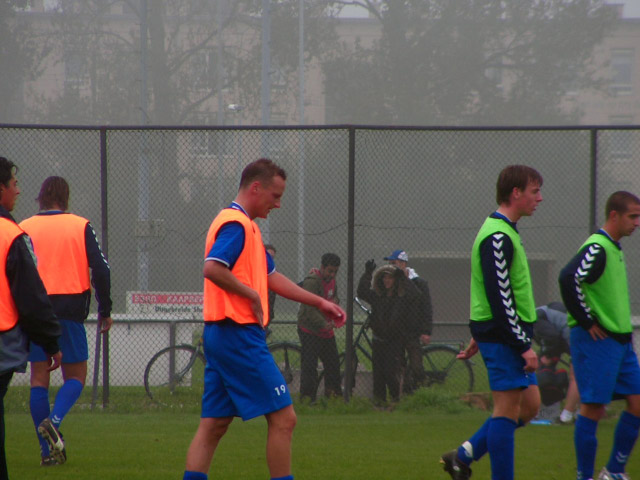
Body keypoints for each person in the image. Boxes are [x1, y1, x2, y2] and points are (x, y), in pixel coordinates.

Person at [183, 159, 345, 480]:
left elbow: (271, 277)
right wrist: (250, 295)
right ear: (255, 188)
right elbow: (213, 268)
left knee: (213, 425)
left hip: (220, 335)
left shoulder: (248, 228)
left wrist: (320, 301)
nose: (278, 203)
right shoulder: (236, 225)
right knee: (284, 420)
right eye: (275, 195)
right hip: (238, 335)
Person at [441, 165, 543, 480]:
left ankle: (461, 456)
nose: (539, 198)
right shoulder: (497, 236)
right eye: (534, 191)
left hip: (502, 333)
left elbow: (496, 294)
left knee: (530, 407)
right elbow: (499, 297)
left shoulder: (507, 230)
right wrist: (521, 344)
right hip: (504, 335)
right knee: (507, 409)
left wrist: (483, 333)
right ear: (516, 193)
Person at [19, 176, 113, 467]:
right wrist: (104, 308)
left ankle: (47, 453)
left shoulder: (24, 227)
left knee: (38, 379)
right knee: (76, 377)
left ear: (41, 198)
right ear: (65, 197)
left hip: (35, 310)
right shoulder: (80, 225)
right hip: (69, 308)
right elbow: (101, 269)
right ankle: (55, 422)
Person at [558, 191, 640, 480]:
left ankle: (614, 471)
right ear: (614, 215)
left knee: (637, 402)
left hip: (620, 342)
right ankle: (585, 476)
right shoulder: (598, 246)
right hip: (597, 340)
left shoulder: (614, 248)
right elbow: (569, 278)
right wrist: (586, 319)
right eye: (632, 216)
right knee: (593, 407)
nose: (637, 222)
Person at [0, 156, 62, 479]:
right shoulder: (10, 234)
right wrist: (51, 342)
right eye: (13, 184)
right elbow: (32, 297)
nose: (18, 191)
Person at [357, 261, 420, 405]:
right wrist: (368, 273)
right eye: (384, 277)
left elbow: (416, 294)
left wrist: (403, 278)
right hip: (378, 340)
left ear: (395, 280)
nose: (387, 280)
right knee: (378, 373)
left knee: (391, 372)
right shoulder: (377, 296)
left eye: (390, 278)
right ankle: (379, 402)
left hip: (395, 341)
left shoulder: (402, 298)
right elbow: (361, 291)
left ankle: (395, 400)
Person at [384, 249, 433, 394]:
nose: (391, 266)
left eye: (394, 263)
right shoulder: (391, 283)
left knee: (417, 366)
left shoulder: (419, 283)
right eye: (389, 263)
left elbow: (426, 308)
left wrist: (426, 331)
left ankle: (424, 393)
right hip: (397, 331)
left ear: (403, 264)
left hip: (413, 331)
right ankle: (404, 394)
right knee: (398, 365)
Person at [297, 252, 344, 401]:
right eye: (330, 270)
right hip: (310, 330)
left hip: (326, 332)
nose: (332, 274)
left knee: (333, 366)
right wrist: (325, 324)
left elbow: (333, 298)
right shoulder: (312, 281)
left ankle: (332, 398)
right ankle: (307, 399)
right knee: (310, 368)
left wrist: (336, 306)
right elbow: (309, 309)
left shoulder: (333, 281)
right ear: (322, 267)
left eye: (335, 271)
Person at [533, 302, 579, 424]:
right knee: (580, 377)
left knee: (576, 376)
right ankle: (545, 413)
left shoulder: (534, 318)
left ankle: (566, 417)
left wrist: (545, 354)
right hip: (571, 334)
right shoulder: (542, 313)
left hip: (575, 335)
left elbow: (552, 336)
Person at [265, 244, 277, 322]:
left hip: (268, 314)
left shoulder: (273, 274)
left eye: (272, 257)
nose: (270, 259)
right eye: (268, 256)